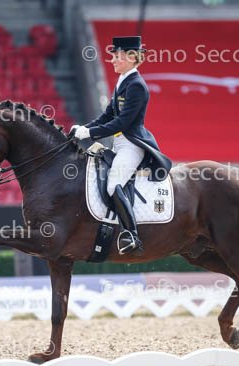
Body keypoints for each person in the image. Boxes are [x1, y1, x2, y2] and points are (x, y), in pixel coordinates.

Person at [72, 36, 172, 255]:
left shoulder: (136, 86)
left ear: (132, 57)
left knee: (113, 184)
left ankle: (131, 234)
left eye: (118, 56)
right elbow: (107, 115)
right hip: (118, 143)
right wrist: (84, 128)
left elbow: (123, 122)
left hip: (132, 145)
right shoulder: (122, 81)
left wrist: (90, 133)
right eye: (113, 56)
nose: (113, 60)